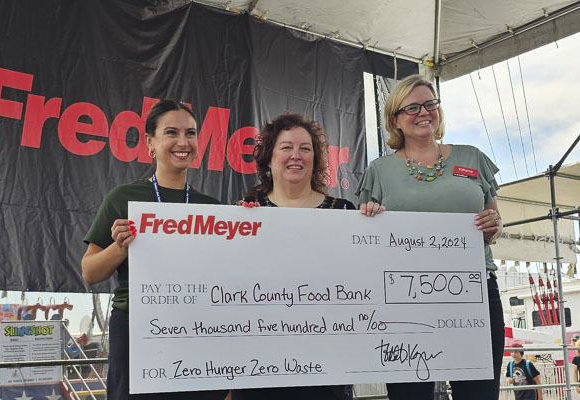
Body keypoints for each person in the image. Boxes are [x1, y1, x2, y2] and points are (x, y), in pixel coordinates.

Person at [356, 74, 504, 400]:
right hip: (405, 300)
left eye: (430, 104)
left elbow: (494, 224)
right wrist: (369, 219)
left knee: (479, 393)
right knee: (410, 394)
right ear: (395, 119)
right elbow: (368, 240)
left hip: (473, 295)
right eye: (412, 107)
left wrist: (495, 226)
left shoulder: (472, 158)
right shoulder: (378, 172)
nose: (424, 112)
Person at [81, 100, 226, 400]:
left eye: (191, 133)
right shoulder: (124, 198)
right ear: (150, 142)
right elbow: (90, 272)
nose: (183, 142)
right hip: (137, 330)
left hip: (197, 330)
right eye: (171, 132)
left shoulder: (212, 209)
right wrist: (120, 248)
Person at [230, 113, 376, 400]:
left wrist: (377, 226)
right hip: (260, 365)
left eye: (305, 148)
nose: (296, 155)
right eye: (286, 147)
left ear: (316, 159)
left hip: (327, 366)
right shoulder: (243, 213)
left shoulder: (345, 213)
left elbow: (364, 281)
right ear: (268, 159)